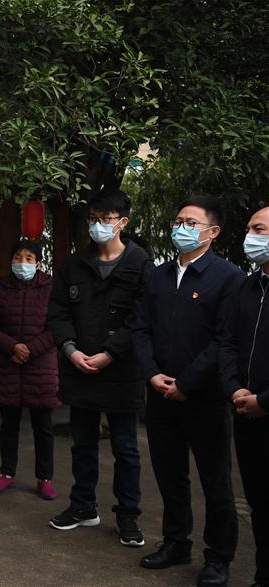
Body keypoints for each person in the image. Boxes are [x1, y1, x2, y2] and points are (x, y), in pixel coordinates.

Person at [132, 196, 242, 586]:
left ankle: (218, 557)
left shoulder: (228, 277)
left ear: (213, 232)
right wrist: (152, 374)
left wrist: (186, 383)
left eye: (191, 222)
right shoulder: (159, 275)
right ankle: (176, 542)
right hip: (160, 394)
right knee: (169, 474)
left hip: (205, 398)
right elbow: (140, 328)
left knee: (215, 480)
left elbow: (224, 339)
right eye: (179, 221)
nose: (182, 228)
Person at [47, 188, 153, 547]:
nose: (97, 225)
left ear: (122, 222)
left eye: (105, 219)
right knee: (82, 444)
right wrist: (70, 349)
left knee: (125, 448)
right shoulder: (75, 264)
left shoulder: (140, 264)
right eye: (93, 219)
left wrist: (110, 353)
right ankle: (83, 506)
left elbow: (142, 318)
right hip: (80, 367)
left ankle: (127, 515)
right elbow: (58, 311)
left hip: (121, 371)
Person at [0, 239, 59, 500]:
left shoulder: (51, 290)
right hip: (8, 366)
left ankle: (45, 478)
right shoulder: (0, 291)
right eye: (18, 257)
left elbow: (56, 327)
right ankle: (6, 473)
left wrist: (30, 349)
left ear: (38, 263)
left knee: (43, 427)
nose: (22, 263)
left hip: (41, 368)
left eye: (28, 258)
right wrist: (13, 346)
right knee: (8, 425)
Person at [220, 206, 269, 587]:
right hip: (245, 413)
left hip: (264, 408)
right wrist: (234, 387)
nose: (250, 236)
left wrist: (264, 401)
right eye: (250, 228)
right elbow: (228, 343)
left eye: (260, 229)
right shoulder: (247, 287)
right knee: (259, 503)